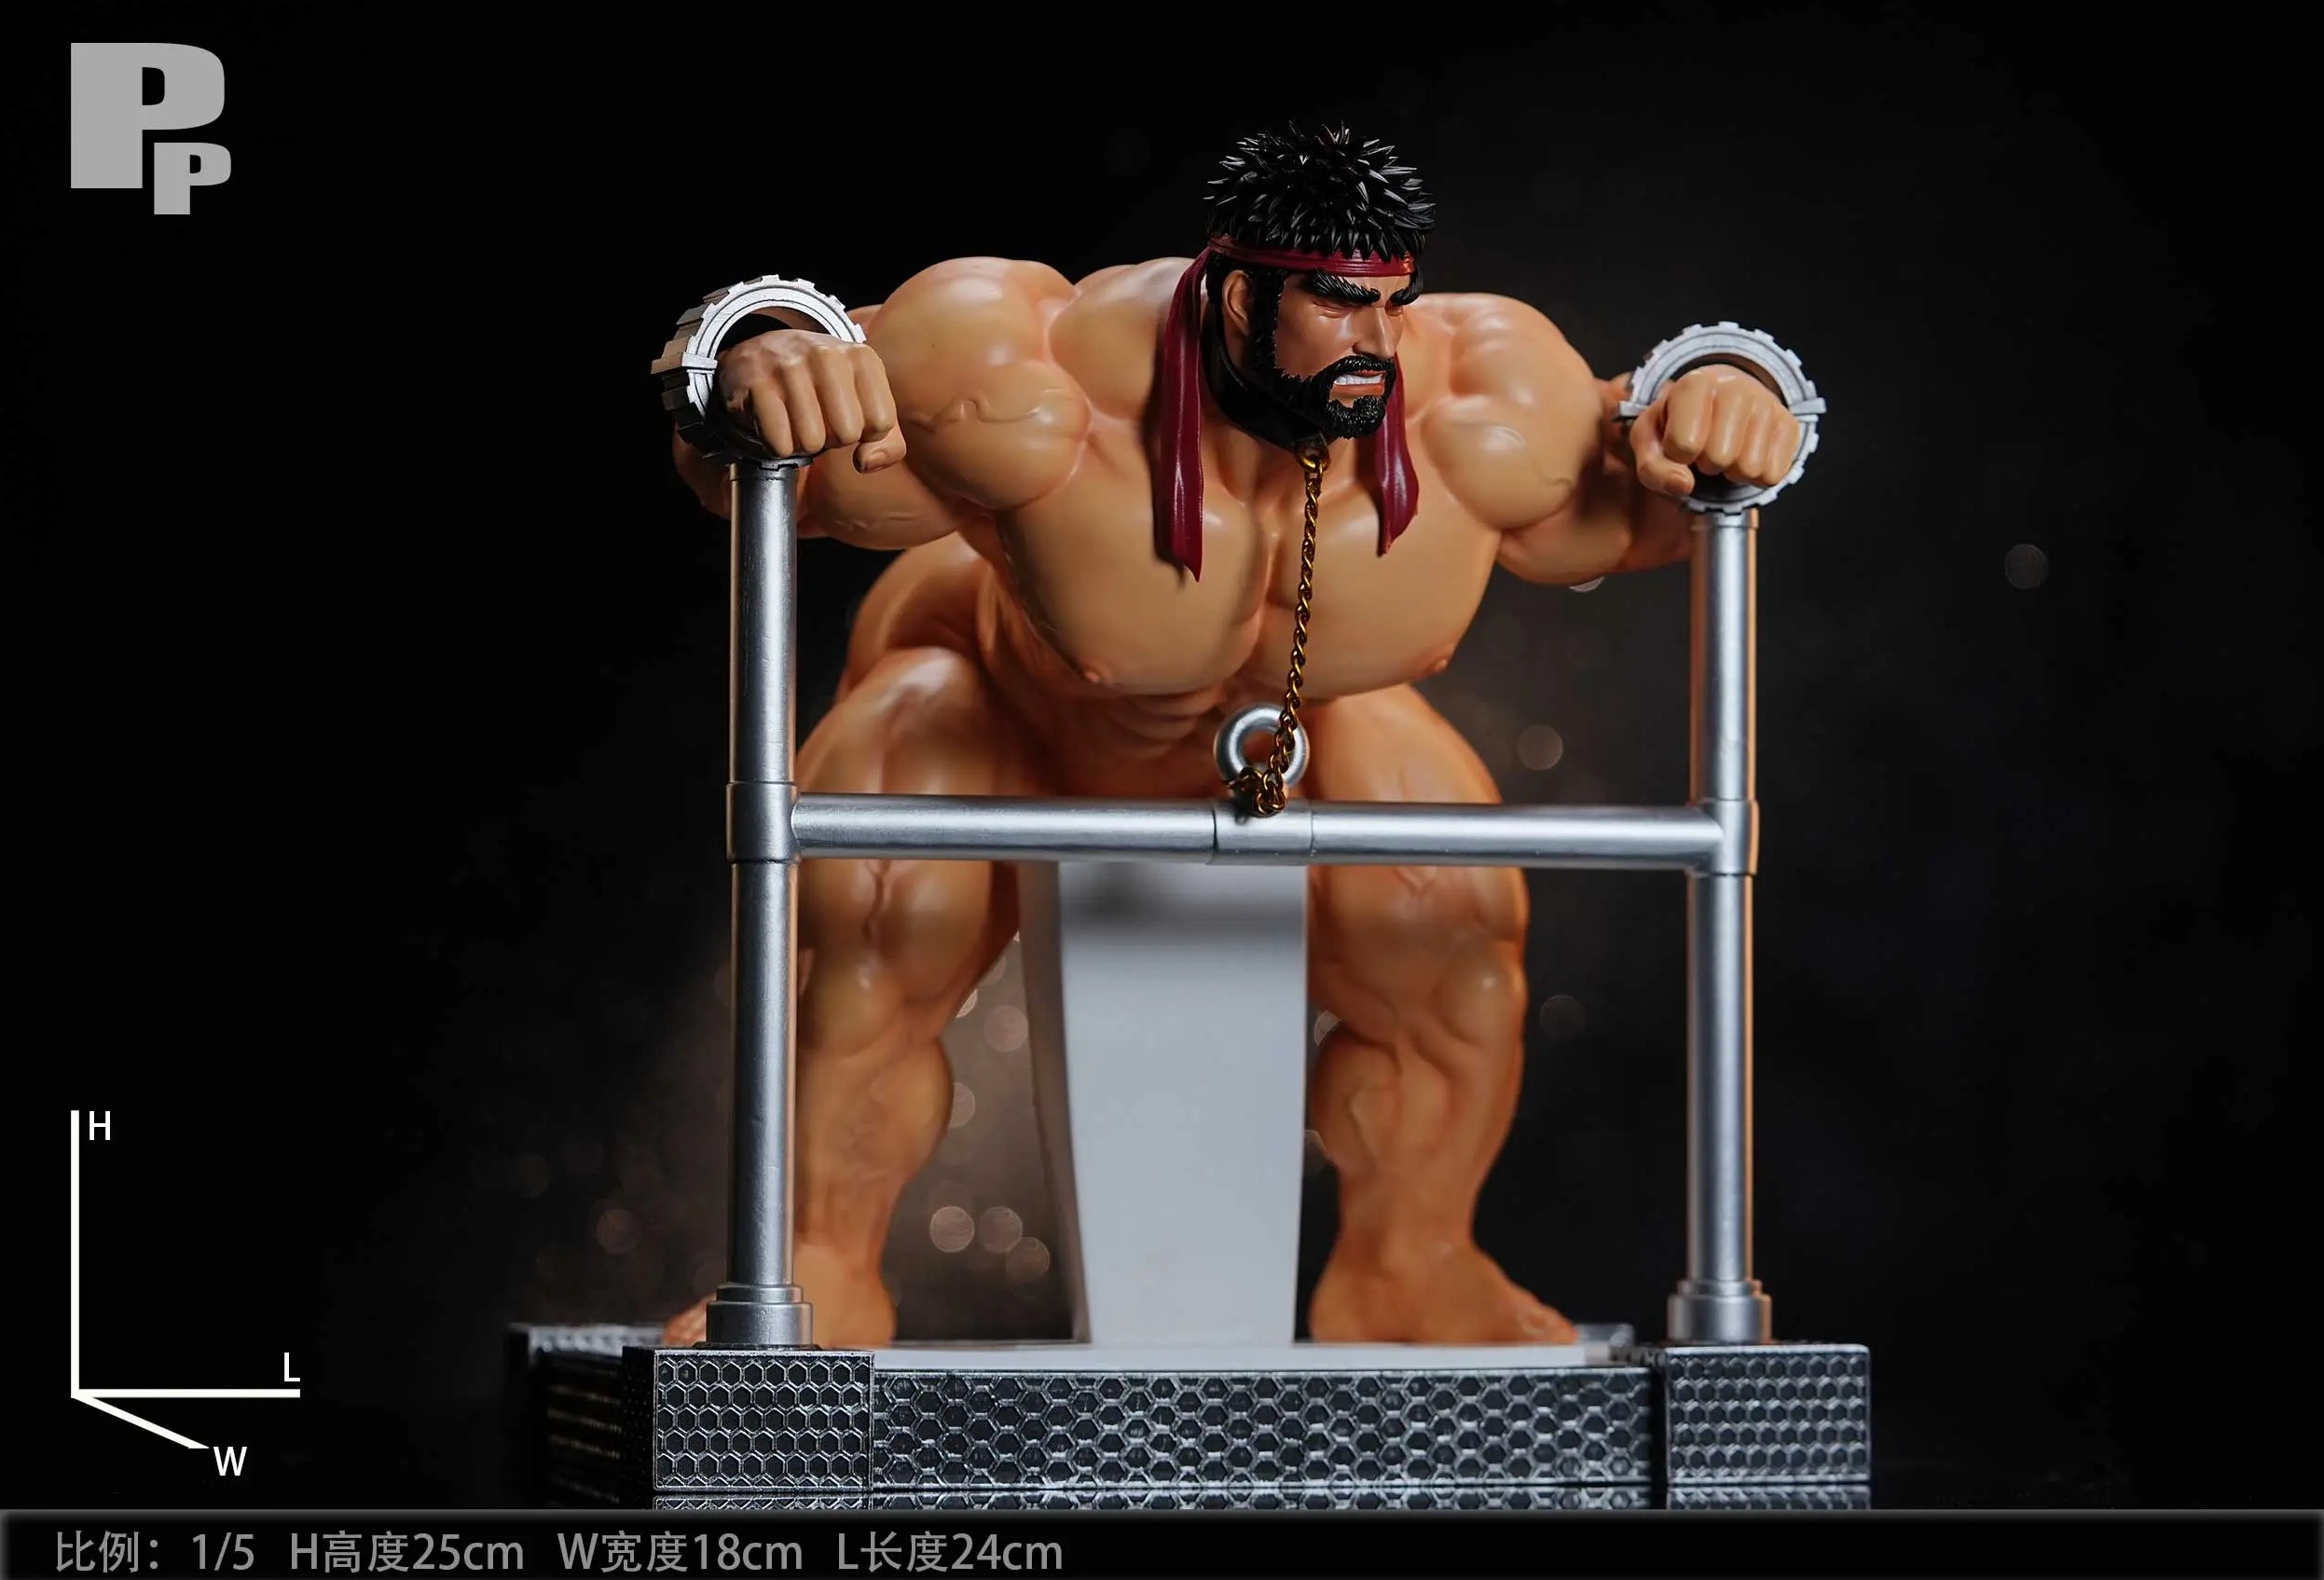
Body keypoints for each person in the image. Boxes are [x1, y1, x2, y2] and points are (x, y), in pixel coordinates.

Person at [666, 125, 1802, 1347]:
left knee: (1455, 928)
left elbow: (1645, 483)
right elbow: (752, 440)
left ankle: (1408, 1266)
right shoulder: (1026, 372)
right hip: (1007, 709)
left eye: (1392, 304)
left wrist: (1729, 393)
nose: (1377, 345)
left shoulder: (1475, 406)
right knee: (887, 900)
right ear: (1238, 295)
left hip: (1287, 735)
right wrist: (757, 356)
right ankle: (820, 1261)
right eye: (1336, 305)